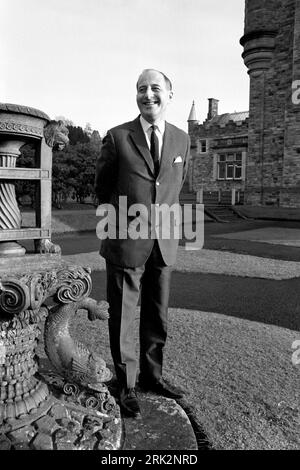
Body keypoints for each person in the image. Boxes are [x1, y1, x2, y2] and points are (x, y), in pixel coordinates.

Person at [94, 69, 190, 417]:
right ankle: (127, 386)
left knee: (157, 315)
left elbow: (175, 189)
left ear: (170, 94)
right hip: (125, 243)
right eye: (140, 89)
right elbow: (102, 190)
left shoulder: (182, 140)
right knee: (123, 317)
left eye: (154, 88)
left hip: (163, 242)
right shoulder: (117, 137)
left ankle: (153, 378)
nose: (147, 95)